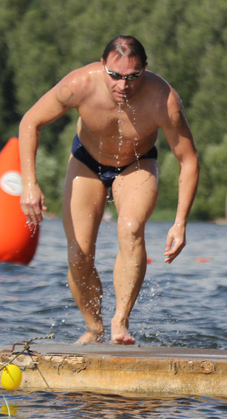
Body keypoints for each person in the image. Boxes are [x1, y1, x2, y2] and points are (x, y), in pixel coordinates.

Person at [19, 36, 200, 345]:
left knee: (130, 229)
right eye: (115, 75)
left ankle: (120, 322)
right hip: (87, 162)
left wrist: (180, 222)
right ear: (103, 66)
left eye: (133, 76)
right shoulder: (79, 84)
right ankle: (93, 328)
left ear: (144, 68)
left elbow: (189, 160)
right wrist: (29, 184)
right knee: (79, 252)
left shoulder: (163, 100)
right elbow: (30, 123)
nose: (123, 85)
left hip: (137, 163)